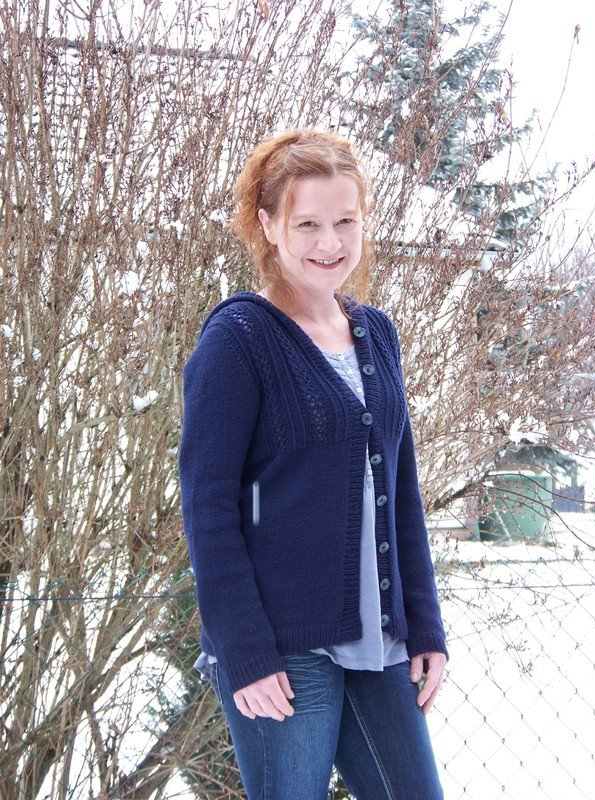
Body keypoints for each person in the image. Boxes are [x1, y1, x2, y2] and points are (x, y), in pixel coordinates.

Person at [178, 129, 448, 800]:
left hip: (378, 639)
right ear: (268, 225)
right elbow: (208, 507)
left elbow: (401, 489)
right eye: (308, 224)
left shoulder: (376, 333)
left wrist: (424, 622)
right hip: (282, 647)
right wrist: (244, 650)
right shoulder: (238, 339)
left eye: (345, 221)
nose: (331, 242)